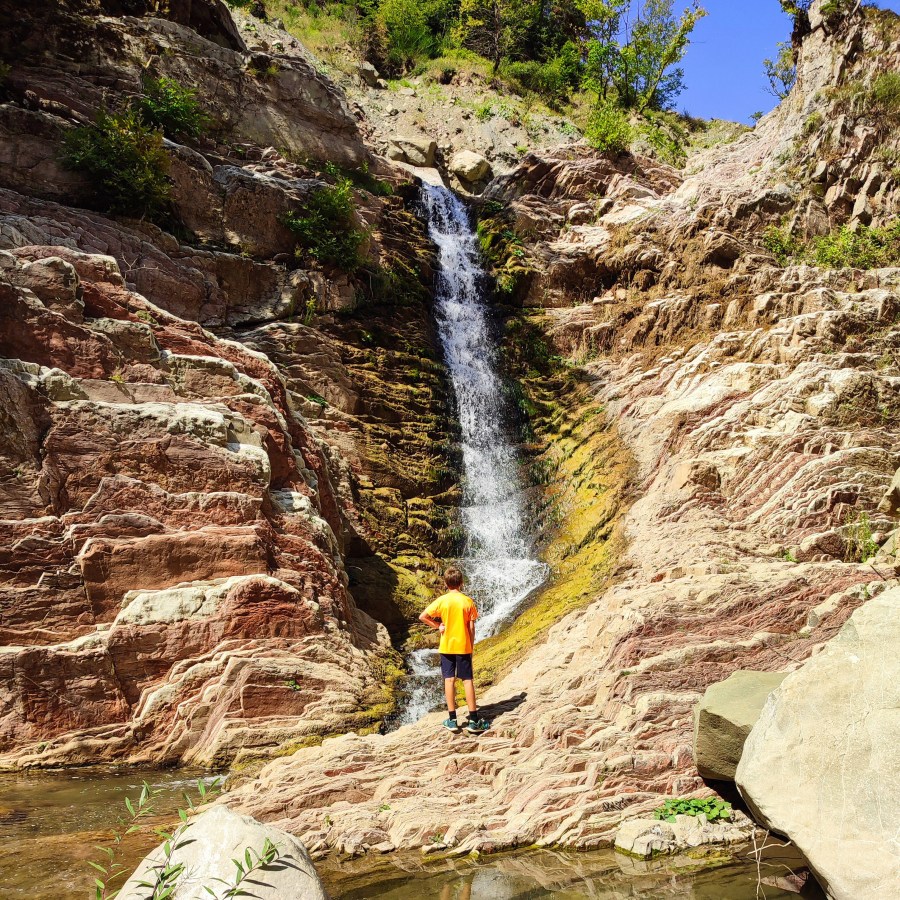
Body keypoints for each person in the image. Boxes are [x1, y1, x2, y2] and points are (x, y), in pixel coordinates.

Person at [419, 566, 490, 734]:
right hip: (463, 645)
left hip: (446, 646)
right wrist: (471, 645)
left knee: (449, 680)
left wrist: (438, 625)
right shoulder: (467, 601)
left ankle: (452, 720)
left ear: (445, 583)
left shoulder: (442, 601)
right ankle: (474, 720)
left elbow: (422, 616)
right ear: (462, 583)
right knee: (467, 681)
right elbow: (471, 627)